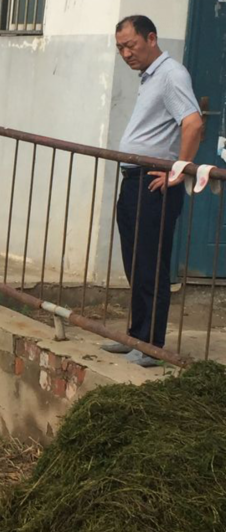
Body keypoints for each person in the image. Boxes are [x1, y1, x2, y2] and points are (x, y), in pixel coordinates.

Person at [104, 15, 203, 366]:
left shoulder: (171, 74)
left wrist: (179, 170)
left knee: (150, 264)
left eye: (131, 45)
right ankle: (136, 335)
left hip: (153, 183)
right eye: (120, 48)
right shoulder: (150, 77)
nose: (126, 54)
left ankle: (151, 346)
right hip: (135, 180)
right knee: (135, 262)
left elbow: (193, 123)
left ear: (151, 38)